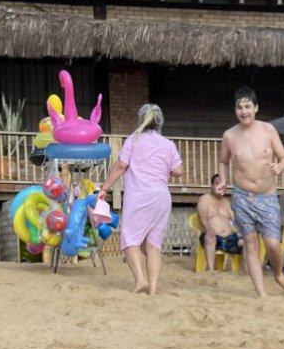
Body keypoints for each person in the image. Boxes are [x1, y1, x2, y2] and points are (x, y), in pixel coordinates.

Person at [213, 87, 284, 298]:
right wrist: (224, 180)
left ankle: (278, 274)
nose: (244, 111)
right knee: (250, 243)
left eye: (248, 106)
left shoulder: (268, 130)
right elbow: (223, 161)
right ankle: (261, 294)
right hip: (241, 198)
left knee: (273, 243)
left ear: (256, 108)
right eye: (239, 107)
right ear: (235, 110)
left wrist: (279, 167)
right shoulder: (229, 135)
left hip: (267, 197)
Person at [98, 104, 183, 295]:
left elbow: (121, 166)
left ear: (140, 120)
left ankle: (141, 280)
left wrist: (104, 188)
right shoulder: (168, 144)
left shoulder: (133, 140)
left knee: (130, 239)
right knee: (154, 245)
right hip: (161, 197)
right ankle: (153, 289)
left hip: (139, 196)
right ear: (160, 122)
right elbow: (179, 171)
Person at [195, 175, 240, 271]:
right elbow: (202, 217)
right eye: (217, 184)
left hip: (230, 239)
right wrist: (208, 229)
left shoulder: (226, 202)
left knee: (249, 240)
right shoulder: (205, 199)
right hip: (213, 237)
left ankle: (244, 271)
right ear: (212, 185)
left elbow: (234, 219)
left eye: (223, 185)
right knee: (210, 235)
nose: (220, 187)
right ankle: (211, 270)